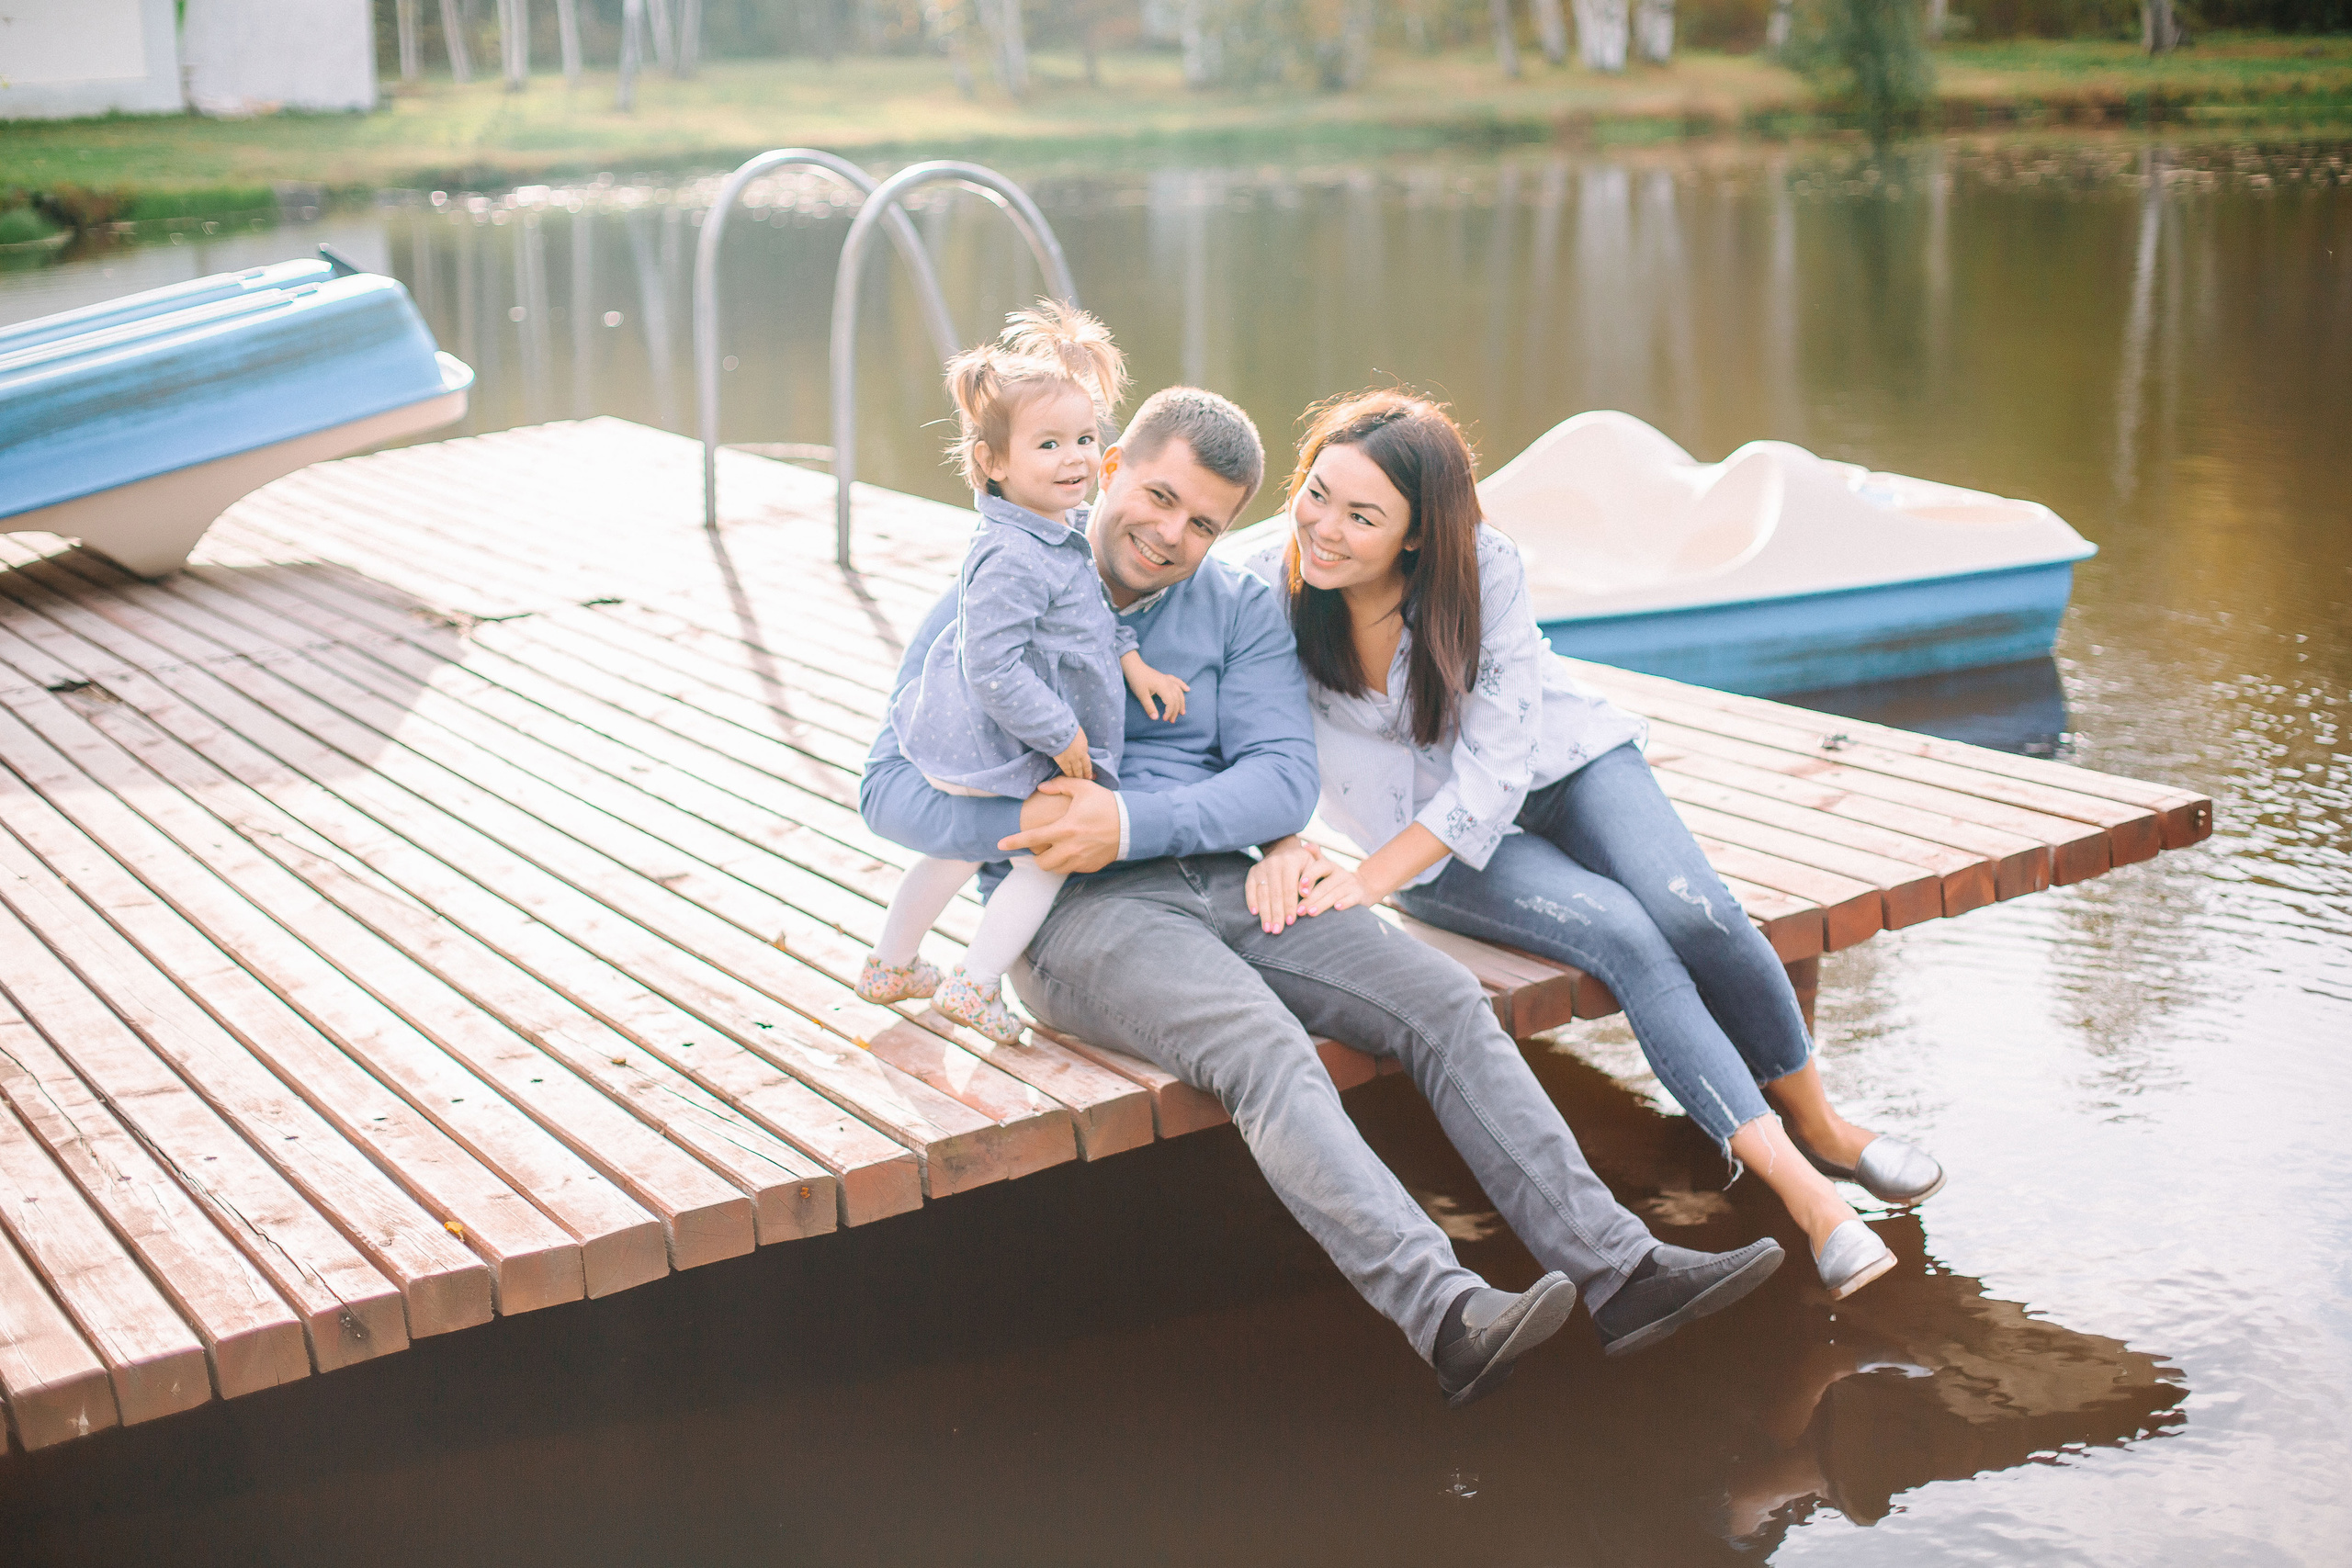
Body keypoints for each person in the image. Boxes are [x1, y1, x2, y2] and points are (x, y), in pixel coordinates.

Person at [863, 384, 1786, 1408]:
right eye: (1158, 497)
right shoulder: (1001, 582)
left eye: (1203, 522)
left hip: (1236, 879)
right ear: (1112, 464)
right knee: (1263, 1048)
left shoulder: (1239, 607)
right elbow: (887, 787)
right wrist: (1035, 826)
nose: (1171, 535)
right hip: (1073, 915)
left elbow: (1278, 780)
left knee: (1439, 1002)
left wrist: (1132, 823)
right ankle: (1444, 1313)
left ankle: (1625, 1274)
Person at [1238, 389, 1946, 1304]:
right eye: (1316, 494)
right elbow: (1226, 712)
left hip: (1561, 766)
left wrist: (1360, 882)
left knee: (1699, 915)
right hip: (1426, 844)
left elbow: (1493, 774)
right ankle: (1809, 1199)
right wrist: (1290, 841)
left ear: (1417, 535)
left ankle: (1824, 1126)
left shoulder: (1483, 569)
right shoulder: (1266, 584)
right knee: (1622, 933)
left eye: (1361, 515)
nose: (1324, 528)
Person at [854, 303, 1190, 1044]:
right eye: (1048, 444)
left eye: (1084, 439)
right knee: (1048, 856)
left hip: (989, 734)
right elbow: (990, 661)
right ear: (993, 464)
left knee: (956, 850)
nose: (1075, 458)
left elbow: (1089, 620)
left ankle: (892, 962)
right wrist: (1062, 730)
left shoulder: (1055, 529)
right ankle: (976, 982)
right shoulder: (1010, 553)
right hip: (1001, 733)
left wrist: (1133, 664)